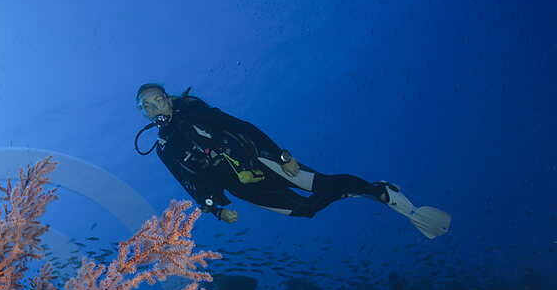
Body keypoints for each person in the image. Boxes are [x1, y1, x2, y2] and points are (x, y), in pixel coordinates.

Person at [134, 83, 450, 238]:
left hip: (259, 160)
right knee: (306, 211)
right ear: (144, 113)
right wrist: (218, 209)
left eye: (158, 99)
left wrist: (283, 155)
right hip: (241, 187)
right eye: (147, 106)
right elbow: (190, 182)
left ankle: (377, 190)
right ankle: (353, 191)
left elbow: (242, 127)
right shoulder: (164, 148)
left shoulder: (194, 111)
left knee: (319, 183)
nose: (155, 108)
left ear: (168, 98)